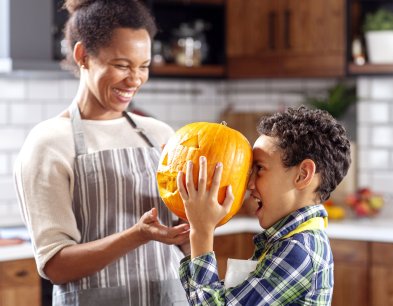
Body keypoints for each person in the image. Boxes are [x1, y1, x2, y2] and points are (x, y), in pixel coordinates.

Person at [14, 0, 190, 305]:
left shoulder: (160, 134)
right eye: (122, 65)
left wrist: (198, 219)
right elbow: (56, 265)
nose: (135, 79)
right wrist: (138, 235)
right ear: (83, 56)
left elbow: (184, 243)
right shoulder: (48, 143)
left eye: (144, 66)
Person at [177, 106, 351, 305]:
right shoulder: (292, 241)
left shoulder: (297, 251)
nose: (249, 184)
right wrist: (192, 246)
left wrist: (201, 233)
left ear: (303, 175)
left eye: (259, 168)